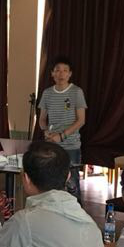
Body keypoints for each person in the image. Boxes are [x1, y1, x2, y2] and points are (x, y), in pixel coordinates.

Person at [38, 56, 87, 203]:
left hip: (71, 145)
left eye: (65, 70)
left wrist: (62, 136)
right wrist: (45, 131)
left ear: (70, 74)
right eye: (57, 70)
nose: (61, 74)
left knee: (72, 184)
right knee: (52, 185)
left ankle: (76, 213)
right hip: (52, 146)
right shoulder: (47, 93)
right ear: (52, 73)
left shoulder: (76, 92)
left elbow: (81, 120)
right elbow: (42, 119)